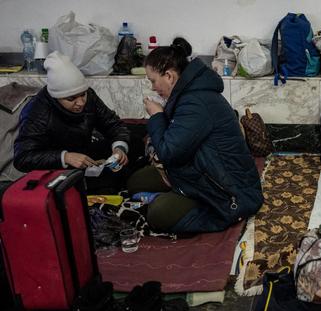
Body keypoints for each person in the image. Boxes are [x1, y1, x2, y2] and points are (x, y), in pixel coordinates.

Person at [128, 37, 263, 233]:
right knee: (136, 182)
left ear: (169, 76)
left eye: (153, 80)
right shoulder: (187, 96)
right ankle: (177, 192)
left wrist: (156, 116)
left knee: (158, 213)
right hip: (199, 171)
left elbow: (168, 151)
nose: (152, 87)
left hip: (229, 192)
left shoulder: (195, 103)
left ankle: (195, 205)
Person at [13, 51, 130, 192]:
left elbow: (113, 124)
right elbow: (22, 158)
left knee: (133, 142)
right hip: (56, 172)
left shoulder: (88, 96)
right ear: (57, 97)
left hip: (85, 154)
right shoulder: (37, 113)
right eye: (71, 99)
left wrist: (119, 148)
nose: (80, 103)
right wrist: (65, 157)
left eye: (83, 95)